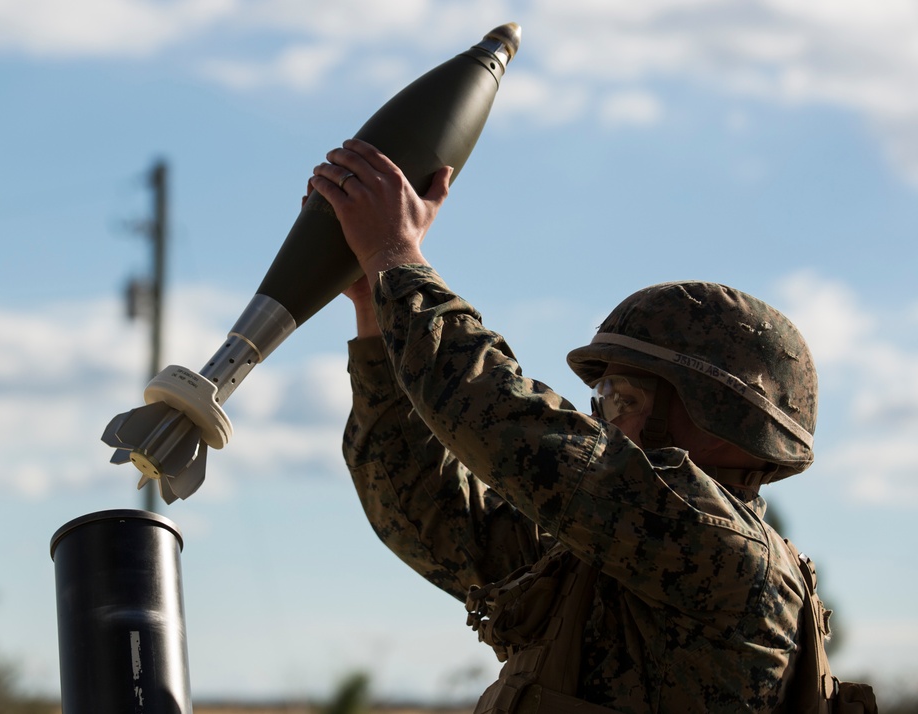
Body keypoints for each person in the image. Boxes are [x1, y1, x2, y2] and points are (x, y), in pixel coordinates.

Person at [306, 139, 832, 713]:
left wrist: (396, 257)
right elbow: (420, 507)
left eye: (625, 397)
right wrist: (374, 305)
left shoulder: (720, 551)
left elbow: (499, 419)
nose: (602, 418)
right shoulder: (613, 551)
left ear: (718, 425)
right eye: (603, 396)